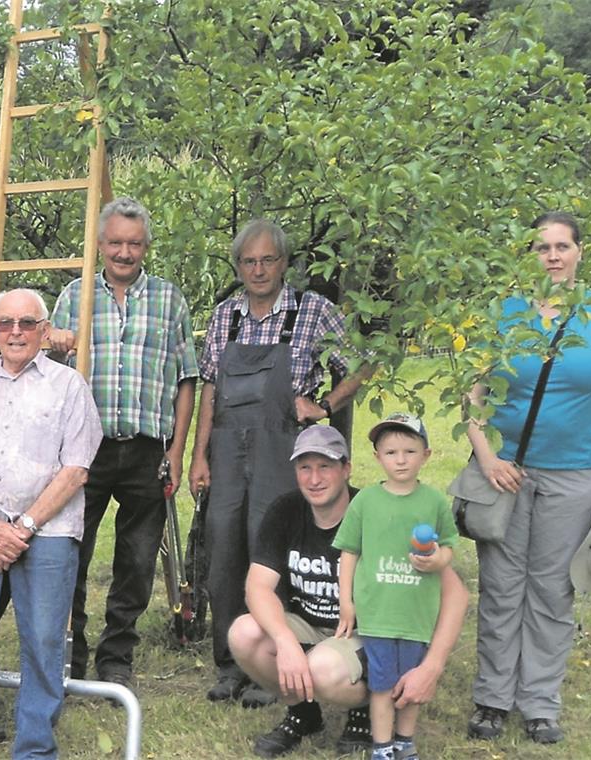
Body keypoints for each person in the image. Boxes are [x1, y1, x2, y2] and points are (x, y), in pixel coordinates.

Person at [464, 211, 591, 745]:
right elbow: (470, 397)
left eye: (563, 246)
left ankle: (539, 702)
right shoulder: (505, 313)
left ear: (580, 251)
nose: (553, 256)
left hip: (577, 477)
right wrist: (487, 458)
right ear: (529, 255)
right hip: (507, 475)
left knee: (552, 591)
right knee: (501, 588)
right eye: (542, 248)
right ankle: (492, 698)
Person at [189, 219, 365, 702]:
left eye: (268, 259)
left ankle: (273, 663)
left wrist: (325, 406)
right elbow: (209, 388)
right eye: (249, 261)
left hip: (283, 452)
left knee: (272, 550)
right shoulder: (225, 315)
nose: (259, 269)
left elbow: (359, 365)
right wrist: (198, 456)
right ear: (238, 266)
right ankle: (231, 662)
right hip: (226, 452)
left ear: (284, 263)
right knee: (224, 551)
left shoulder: (314, 311)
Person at [227, 424, 468, 758]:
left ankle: (364, 712)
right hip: (311, 626)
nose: (314, 479)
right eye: (305, 468)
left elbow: (456, 595)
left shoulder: (376, 509)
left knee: (322, 668)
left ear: (346, 468)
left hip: (368, 633)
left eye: (325, 466)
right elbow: (257, 586)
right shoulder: (285, 510)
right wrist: (284, 641)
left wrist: (432, 666)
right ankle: (303, 715)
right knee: (244, 633)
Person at [0, 289, 103, 760]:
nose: (15, 332)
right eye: (5, 324)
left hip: (47, 534)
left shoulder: (69, 386)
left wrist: (22, 527)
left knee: (44, 641)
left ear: (44, 332)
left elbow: (76, 468)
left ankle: (33, 748)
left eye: (27, 323)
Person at [47, 197, 199, 685]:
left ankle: (117, 657)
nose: (124, 252)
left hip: (146, 450)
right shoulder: (74, 296)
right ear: (99, 244)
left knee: (135, 560)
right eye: (115, 242)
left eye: (134, 243)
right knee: (71, 550)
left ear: (145, 246)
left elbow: (186, 379)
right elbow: (51, 374)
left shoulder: (169, 299)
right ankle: (71, 649)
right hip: (84, 450)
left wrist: (175, 453)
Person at [333, 414, 460, 760]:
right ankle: (382, 746)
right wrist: (347, 600)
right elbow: (349, 552)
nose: (400, 459)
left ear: (427, 455)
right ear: (377, 457)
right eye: (391, 452)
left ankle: (405, 741)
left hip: (417, 615)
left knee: (412, 683)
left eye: (409, 451)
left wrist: (438, 560)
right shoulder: (365, 502)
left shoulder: (433, 502)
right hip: (378, 614)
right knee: (382, 685)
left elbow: (448, 545)